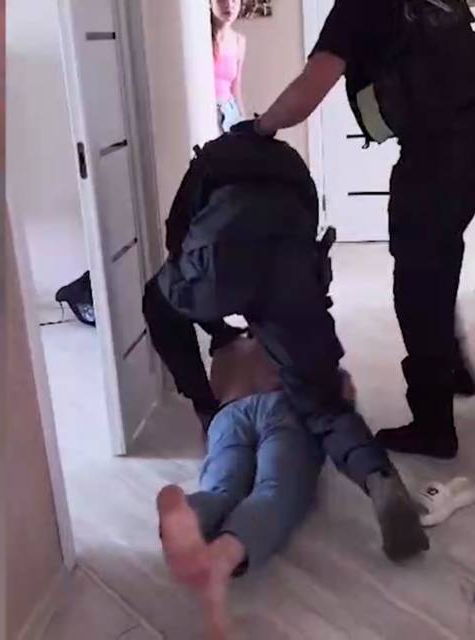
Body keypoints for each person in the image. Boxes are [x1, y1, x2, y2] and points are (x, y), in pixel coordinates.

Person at [144, 132, 428, 563]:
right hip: (288, 358)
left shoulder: (210, 163)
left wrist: (208, 389)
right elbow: (310, 264)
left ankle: (198, 511)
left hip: (228, 404)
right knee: (284, 473)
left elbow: (177, 247)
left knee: (222, 483)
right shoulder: (293, 170)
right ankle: (377, 478)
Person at [240, 0, 475, 459]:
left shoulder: (357, 6)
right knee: (437, 264)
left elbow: (311, 87)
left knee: (418, 289)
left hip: (435, 159)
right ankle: (451, 365)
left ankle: (434, 426)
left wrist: (259, 127)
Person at [157, 336, 337, 640]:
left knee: (223, 491)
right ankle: (222, 559)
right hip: (286, 408)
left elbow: (211, 395)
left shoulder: (230, 348)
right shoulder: (306, 339)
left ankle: (194, 511)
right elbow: (338, 410)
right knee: (274, 490)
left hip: (229, 413)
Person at [211, 0, 247, 133]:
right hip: (207, 111)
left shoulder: (239, 41)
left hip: (230, 113)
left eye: (234, 0)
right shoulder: (200, 38)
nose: (229, 5)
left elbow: (236, 87)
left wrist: (243, 121)